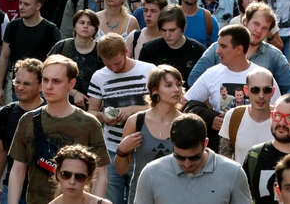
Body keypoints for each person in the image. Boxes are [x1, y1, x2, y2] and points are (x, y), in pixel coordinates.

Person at [6, 55, 110, 204]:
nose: (48, 86)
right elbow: (17, 170)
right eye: (45, 80)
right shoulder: (27, 120)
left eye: (56, 81)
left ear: (71, 83)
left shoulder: (89, 123)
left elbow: (100, 173)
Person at [88, 34, 156, 204]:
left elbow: (161, 106)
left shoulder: (149, 71)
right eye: (107, 64)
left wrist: (133, 110)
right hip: (111, 148)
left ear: (126, 51)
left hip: (144, 148)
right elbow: (91, 112)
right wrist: (103, 117)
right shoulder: (99, 77)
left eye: (117, 63)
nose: (114, 69)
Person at [133, 113, 250, 204]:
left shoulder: (233, 172)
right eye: (180, 157)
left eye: (194, 157)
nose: (187, 164)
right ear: (172, 144)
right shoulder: (151, 173)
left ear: (205, 143)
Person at [186, 3, 290, 95]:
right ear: (245, 21)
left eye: (265, 28)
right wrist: (210, 104)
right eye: (256, 24)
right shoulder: (218, 47)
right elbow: (194, 78)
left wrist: (279, 107)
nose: (258, 30)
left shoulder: (274, 55)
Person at [114, 65, 184, 204]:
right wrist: (122, 150)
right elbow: (122, 170)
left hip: (177, 196)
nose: (176, 89)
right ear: (154, 91)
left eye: (179, 84)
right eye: (168, 85)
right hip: (142, 195)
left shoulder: (186, 123)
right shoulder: (136, 121)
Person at [0, 58, 45, 204]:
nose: (20, 87)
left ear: (41, 86)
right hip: (11, 190)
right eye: (17, 81)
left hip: (43, 194)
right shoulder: (6, 113)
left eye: (27, 83)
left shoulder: (51, 114)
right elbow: (1, 150)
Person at [217, 67, 275, 163]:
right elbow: (224, 161)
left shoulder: (282, 118)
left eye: (266, 90)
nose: (261, 96)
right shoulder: (234, 116)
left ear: (273, 91)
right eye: (255, 90)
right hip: (241, 177)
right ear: (246, 90)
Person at [137, 6, 206, 86]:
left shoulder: (198, 51)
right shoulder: (149, 50)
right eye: (163, 30)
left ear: (183, 28)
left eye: (172, 30)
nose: (167, 35)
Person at [50, 10, 103, 109]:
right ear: (75, 26)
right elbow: (46, 74)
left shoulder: (101, 50)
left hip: (92, 108)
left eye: (90, 24)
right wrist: (74, 93)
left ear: (95, 29)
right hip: (61, 104)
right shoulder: (62, 46)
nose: (85, 26)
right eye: (82, 23)